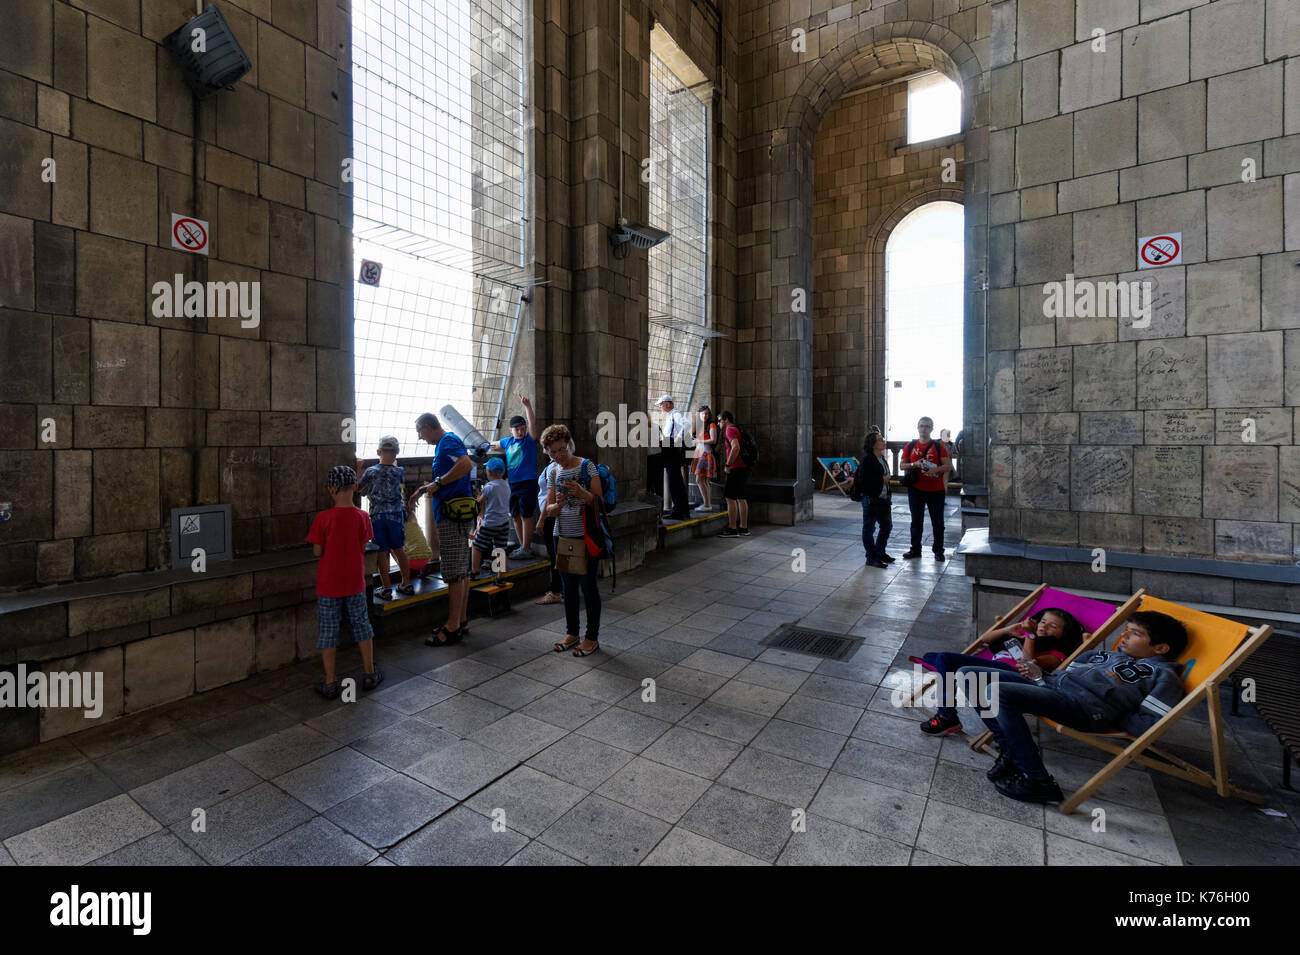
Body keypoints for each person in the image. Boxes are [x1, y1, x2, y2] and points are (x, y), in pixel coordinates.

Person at [957, 610, 1188, 803]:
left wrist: (1112, 709)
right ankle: (1010, 749)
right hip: (1052, 688)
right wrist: (1040, 676)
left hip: (1084, 709)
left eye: (1135, 634)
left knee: (997, 692)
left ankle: (1038, 780)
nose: (1124, 636)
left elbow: (1147, 723)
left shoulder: (1164, 676)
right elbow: (1064, 676)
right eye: (1125, 629)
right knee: (968, 675)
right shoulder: (1100, 656)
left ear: (1161, 649)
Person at [913, 607, 1085, 736]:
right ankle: (947, 709)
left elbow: (1026, 665)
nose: (1044, 627)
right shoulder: (1024, 636)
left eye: (1053, 626)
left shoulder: (1056, 653)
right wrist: (1007, 630)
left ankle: (946, 716)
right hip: (989, 666)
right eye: (1042, 622)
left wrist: (1030, 637)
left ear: (1063, 635)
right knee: (931, 656)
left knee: (945, 659)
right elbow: (984, 640)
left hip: (1010, 676)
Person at [306, 465, 383, 698]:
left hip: (328, 584)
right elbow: (362, 547)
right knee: (362, 624)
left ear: (331, 489)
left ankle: (330, 682)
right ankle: (369, 672)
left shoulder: (323, 518)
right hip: (354, 582)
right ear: (355, 488)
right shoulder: (363, 517)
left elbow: (317, 552)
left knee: (329, 630)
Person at [411, 412, 475, 646]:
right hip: (457, 513)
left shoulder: (448, 442)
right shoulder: (447, 443)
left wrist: (438, 483)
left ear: (429, 426)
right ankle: (461, 619)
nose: (420, 438)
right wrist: (425, 488)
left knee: (453, 572)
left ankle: (452, 626)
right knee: (462, 569)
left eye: (420, 433)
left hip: (452, 515)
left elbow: (466, 464)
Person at [542, 424, 603, 657]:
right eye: (553, 452)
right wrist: (557, 505)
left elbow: (598, 502)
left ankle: (591, 637)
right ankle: (572, 633)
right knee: (568, 588)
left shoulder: (587, 466)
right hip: (563, 535)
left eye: (561, 449)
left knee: (588, 588)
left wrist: (582, 493)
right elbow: (549, 509)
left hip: (585, 536)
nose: (559, 456)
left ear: (569, 443)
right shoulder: (552, 471)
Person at [356, 435, 415, 600]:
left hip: (377, 516)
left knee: (381, 551)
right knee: (399, 549)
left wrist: (359, 467)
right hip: (396, 515)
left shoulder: (371, 471)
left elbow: (357, 487)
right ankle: (407, 583)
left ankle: (387, 588)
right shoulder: (399, 471)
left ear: (378, 451)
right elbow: (394, 472)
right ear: (397, 452)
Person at [488, 395, 539, 559]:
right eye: (517, 429)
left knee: (526, 515)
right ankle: (522, 545)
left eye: (522, 428)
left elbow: (533, 424)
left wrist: (528, 406)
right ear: (511, 430)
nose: (521, 431)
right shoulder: (508, 441)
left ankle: (527, 547)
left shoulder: (529, 441)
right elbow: (493, 444)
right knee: (515, 515)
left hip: (528, 483)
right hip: (513, 484)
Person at [899, 416, 951, 562]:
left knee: (938, 522)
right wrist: (913, 464)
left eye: (927, 426)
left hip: (936, 490)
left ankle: (938, 550)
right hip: (916, 489)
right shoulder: (910, 445)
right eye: (922, 426)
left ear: (932, 429)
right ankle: (915, 549)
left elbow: (948, 466)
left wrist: (936, 470)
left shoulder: (938, 446)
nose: (924, 429)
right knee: (916, 521)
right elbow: (902, 465)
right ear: (917, 427)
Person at [851, 431, 893, 567]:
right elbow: (863, 481)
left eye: (882, 438)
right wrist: (881, 480)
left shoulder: (881, 457)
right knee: (869, 528)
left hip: (883, 498)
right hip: (871, 499)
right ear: (873, 444)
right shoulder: (867, 460)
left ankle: (880, 552)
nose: (883, 441)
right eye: (880, 439)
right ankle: (871, 557)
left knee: (886, 526)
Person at [649, 394, 691, 520]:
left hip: (672, 452)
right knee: (675, 481)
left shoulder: (675, 414)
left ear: (667, 404)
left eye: (661, 404)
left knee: (674, 481)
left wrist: (678, 438)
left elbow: (687, 425)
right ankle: (681, 510)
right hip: (671, 451)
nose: (661, 407)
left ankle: (679, 511)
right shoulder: (671, 415)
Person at [471, 457, 511, 579]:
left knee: (476, 545)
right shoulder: (506, 485)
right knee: (500, 549)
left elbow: (480, 502)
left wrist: (478, 494)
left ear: (490, 473)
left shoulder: (489, 486)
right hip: (504, 523)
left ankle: (475, 571)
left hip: (490, 523)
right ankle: (501, 576)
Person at [533, 457, 563, 605]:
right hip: (553, 515)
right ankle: (560, 589)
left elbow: (548, 498)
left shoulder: (554, 467)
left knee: (554, 555)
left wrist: (541, 520)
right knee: (557, 554)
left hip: (550, 516)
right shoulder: (554, 465)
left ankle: (556, 591)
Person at [717, 410, 749, 538]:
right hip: (743, 467)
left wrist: (727, 464)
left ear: (726, 420)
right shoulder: (737, 428)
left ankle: (731, 528)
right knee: (741, 498)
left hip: (735, 468)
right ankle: (743, 527)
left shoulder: (729, 430)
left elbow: (735, 447)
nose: (718, 423)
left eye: (719, 420)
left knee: (730, 498)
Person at [691, 405, 719, 514]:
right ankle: (708, 504)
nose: (705, 415)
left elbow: (713, 440)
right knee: (705, 481)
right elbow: (690, 434)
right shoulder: (699, 425)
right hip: (699, 453)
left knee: (700, 480)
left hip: (705, 454)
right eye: (703, 413)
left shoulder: (711, 424)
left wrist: (699, 440)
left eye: (707, 413)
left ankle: (707, 504)